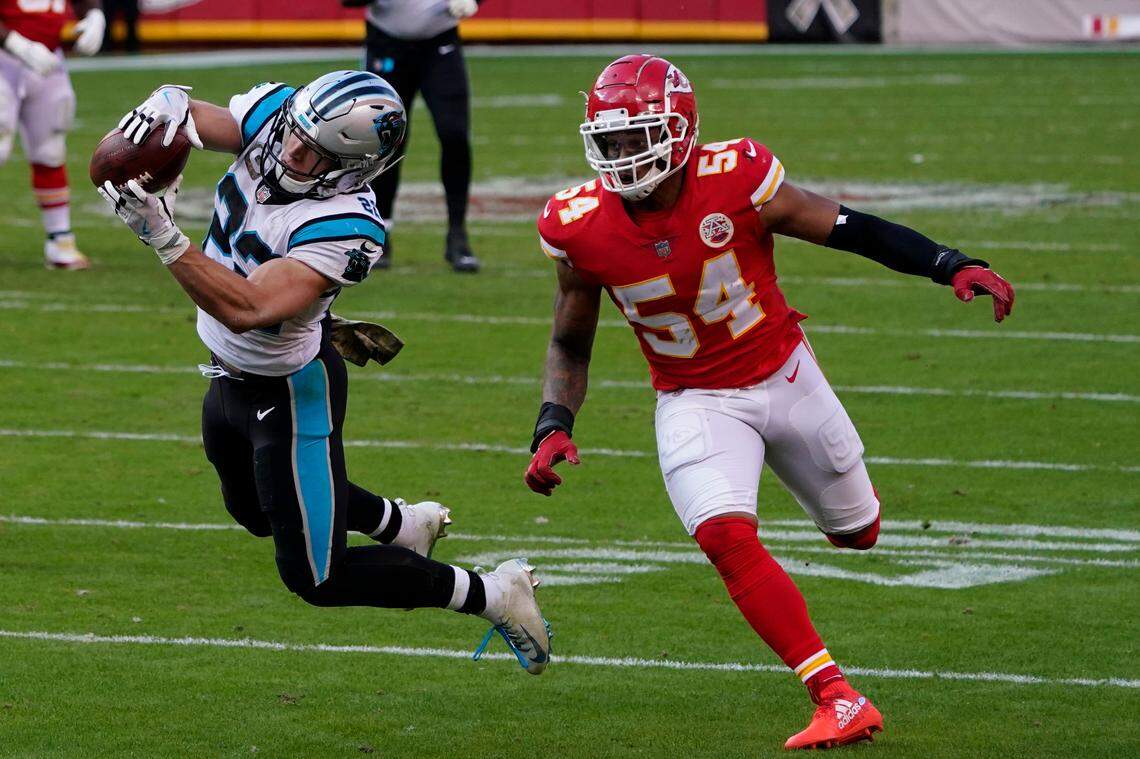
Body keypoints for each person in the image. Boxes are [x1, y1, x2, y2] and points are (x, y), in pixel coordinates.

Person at [525, 55, 1015, 749]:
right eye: (613, 140)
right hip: (695, 399)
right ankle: (836, 695)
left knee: (858, 531)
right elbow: (570, 342)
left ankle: (833, 520)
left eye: (640, 137)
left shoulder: (740, 178)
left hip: (785, 374)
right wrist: (553, 422)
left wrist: (948, 262)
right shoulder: (577, 227)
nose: (625, 155)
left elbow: (850, 227)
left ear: (682, 128)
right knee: (725, 536)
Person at [99, 70, 551, 673]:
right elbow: (205, 121)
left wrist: (163, 234)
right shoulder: (284, 120)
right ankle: (399, 523)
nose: (290, 152)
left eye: (314, 154)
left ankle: (495, 594)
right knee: (257, 513)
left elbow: (248, 308)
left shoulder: (347, 227)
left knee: (318, 575)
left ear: (353, 170)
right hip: (226, 377)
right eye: (295, 135)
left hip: (289, 392)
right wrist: (168, 106)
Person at [341, 0, 481, 272]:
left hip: (440, 42)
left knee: (454, 134)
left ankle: (457, 234)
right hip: (387, 41)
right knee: (383, 141)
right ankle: (379, 232)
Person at [1, 0, 105, 269]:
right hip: (4, 59)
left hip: (48, 60)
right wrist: (15, 42)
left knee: (50, 148)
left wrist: (94, 14)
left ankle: (60, 240)